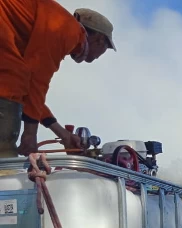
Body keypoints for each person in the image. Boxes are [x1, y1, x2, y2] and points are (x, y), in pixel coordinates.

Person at [0, 0, 116, 157]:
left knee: (15, 81)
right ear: (100, 40)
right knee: (11, 84)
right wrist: (30, 134)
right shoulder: (68, 30)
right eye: (107, 48)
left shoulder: (54, 26)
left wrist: (63, 134)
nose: (100, 55)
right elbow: (37, 80)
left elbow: (29, 91)